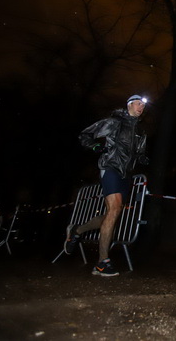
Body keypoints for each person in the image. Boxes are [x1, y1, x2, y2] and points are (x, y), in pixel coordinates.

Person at [65, 94, 149, 277]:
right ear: (129, 104)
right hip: (110, 168)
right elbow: (85, 134)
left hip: (126, 175)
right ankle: (102, 263)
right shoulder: (114, 122)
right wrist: (95, 147)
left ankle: (77, 230)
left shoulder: (141, 131)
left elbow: (140, 151)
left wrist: (141, 157)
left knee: (113, 213)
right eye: (138, 103)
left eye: (143, 105)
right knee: (114, 209)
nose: (141, 107)